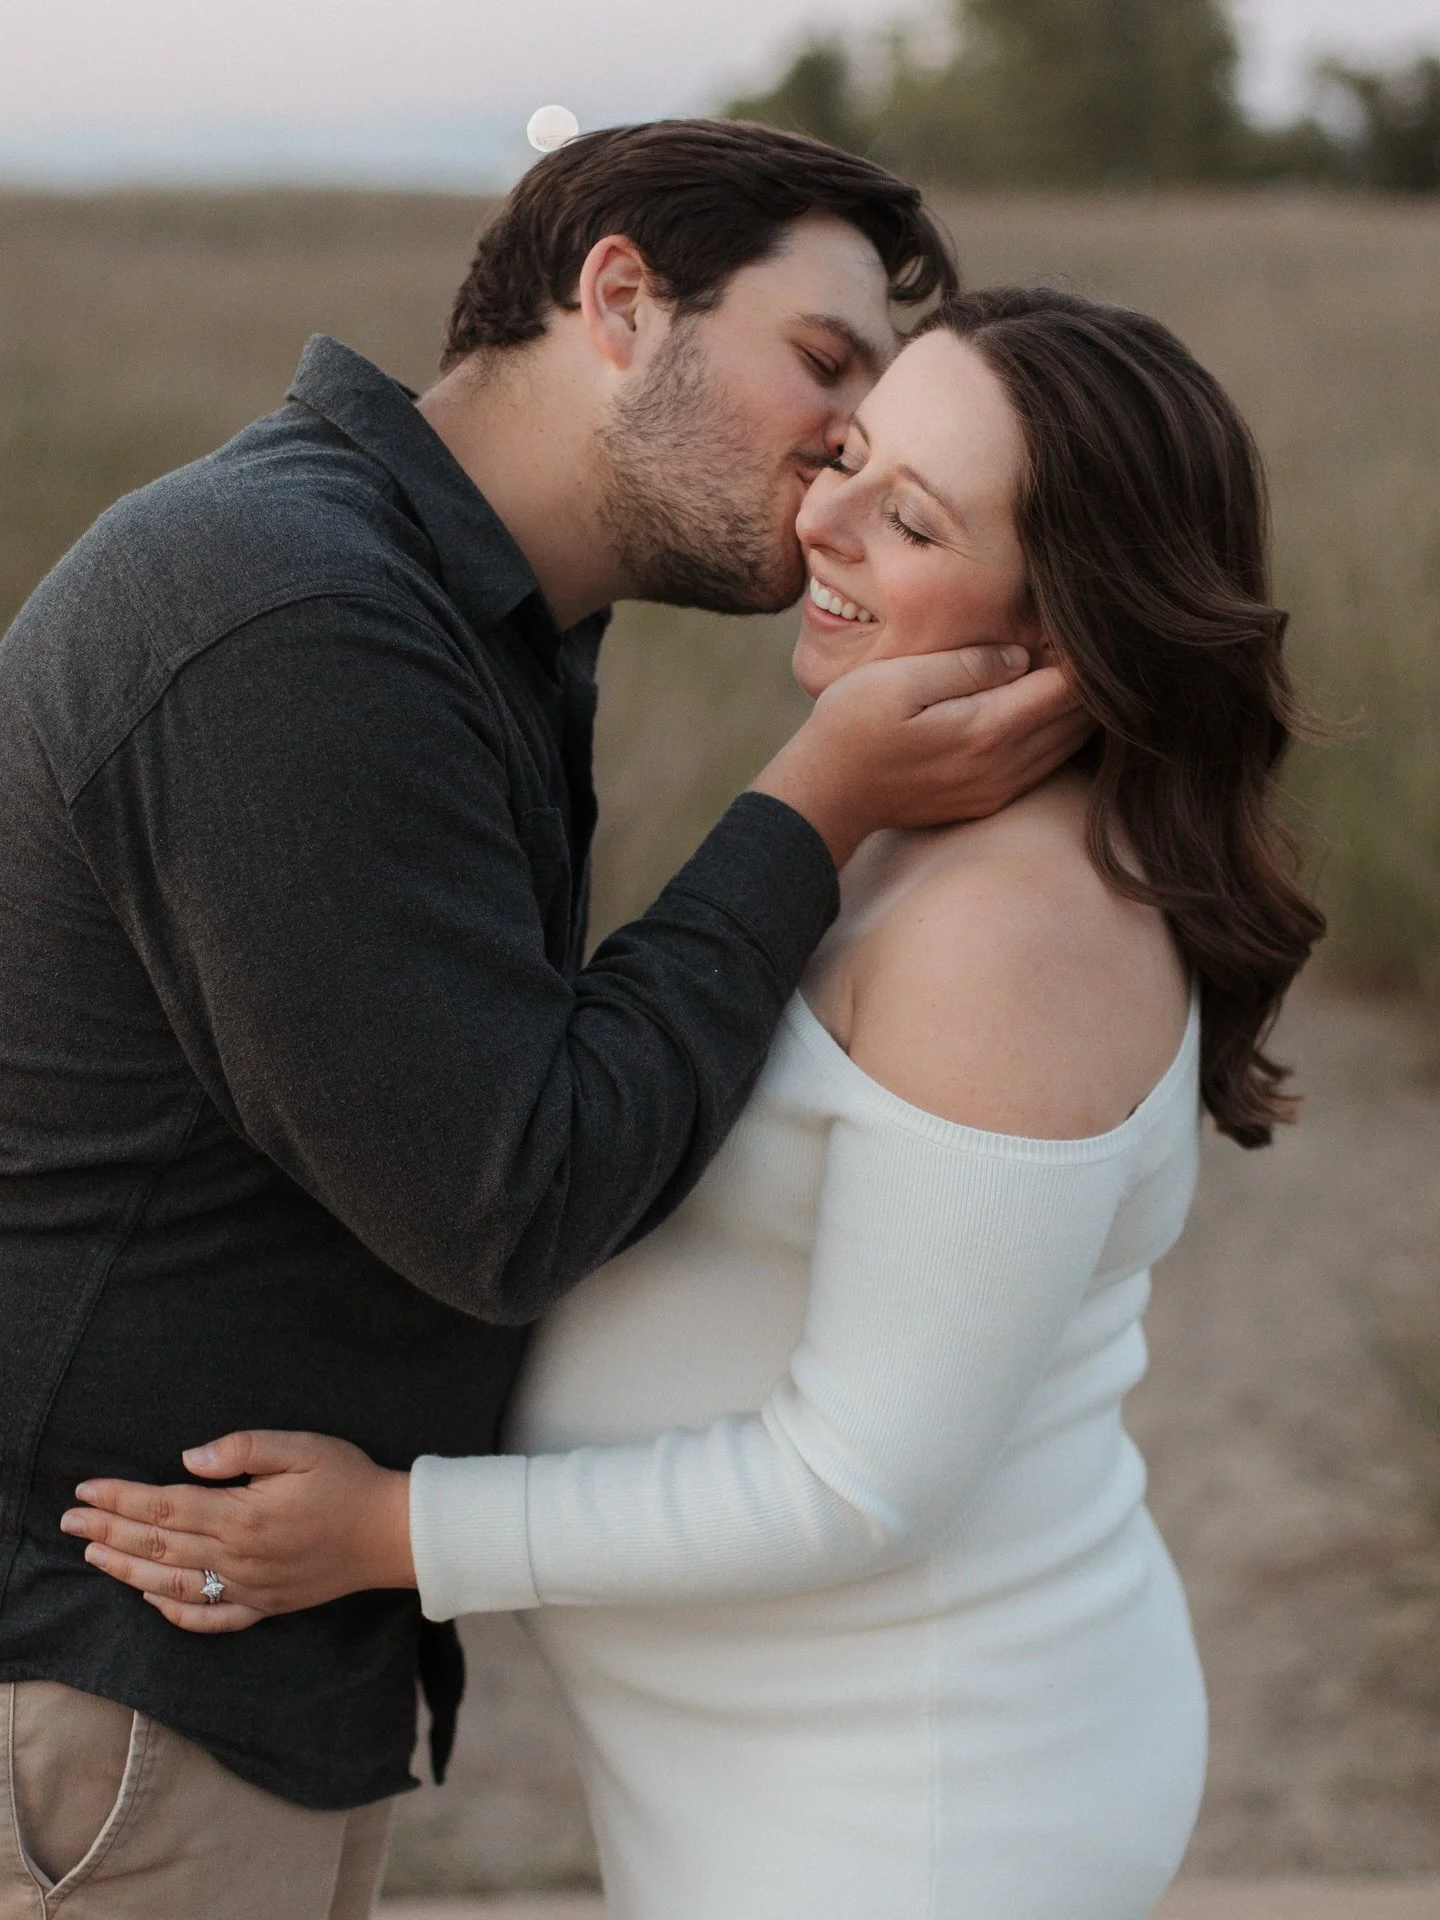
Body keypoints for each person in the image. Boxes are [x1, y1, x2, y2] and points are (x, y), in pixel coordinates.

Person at [71, 288, 1326, 1918]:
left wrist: (396, 1534)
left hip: (920, 1804)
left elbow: (858, 1483)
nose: (824, 517)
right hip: (783, 1768)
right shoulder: (900, 831)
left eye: (913, 515)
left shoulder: (1018, 929)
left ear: (1061, 632)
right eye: (851, 456)